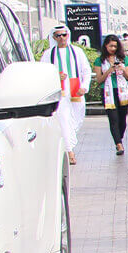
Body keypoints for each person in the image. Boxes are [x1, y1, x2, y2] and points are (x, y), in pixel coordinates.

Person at [42, 25, 90, 164]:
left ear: (68, 35)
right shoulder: (48, 54)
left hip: (75, 90)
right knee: (63, 120)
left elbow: (86, 71)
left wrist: (84, 87)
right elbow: (43, 73)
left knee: (76, 120)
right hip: (59, 93)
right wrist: (56, 76)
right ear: (54, 37)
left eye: (64, 35)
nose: (62, 38)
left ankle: (68, 143)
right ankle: (69, 151)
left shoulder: (77, 52)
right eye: (58, 35)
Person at [94, 34, 128, 156]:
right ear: (105, 46)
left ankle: (119, 137)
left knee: (122, 119)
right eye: (110, 46)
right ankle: (118, 144)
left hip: (122, 91)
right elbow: (99, 79)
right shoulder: (100, 61)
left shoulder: (123, 58)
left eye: (115, 46)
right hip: (108, 92)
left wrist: (122, 68)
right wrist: (109, 71)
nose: (113, 49)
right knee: (113, 119)